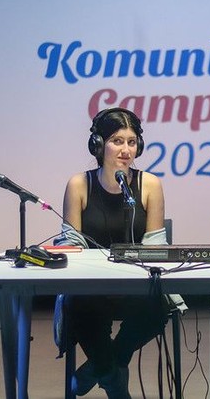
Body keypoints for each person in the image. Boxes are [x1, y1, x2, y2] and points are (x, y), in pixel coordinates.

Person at [62, 107, 168, 399]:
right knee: (79, 307)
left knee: (158, 308)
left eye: (131, 142)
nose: (125, 150)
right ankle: (115, 382)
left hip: (134, 285)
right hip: (92, 286)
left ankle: (100, 367)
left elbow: (156, 245)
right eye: (117, 141)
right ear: (98, 144)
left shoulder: (150, 184)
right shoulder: (79, 184)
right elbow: (71, 242)